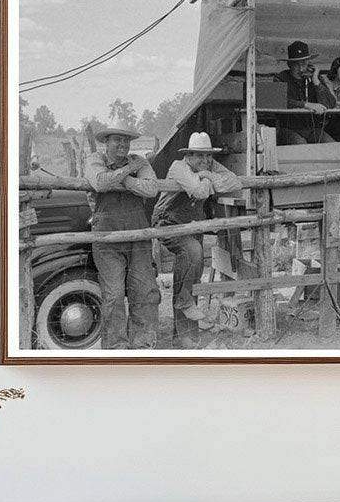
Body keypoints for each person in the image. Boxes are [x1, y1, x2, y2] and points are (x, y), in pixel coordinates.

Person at [152, 132, 240, 331]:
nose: (205, 160)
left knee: (194, 270)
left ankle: (188, 335)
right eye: (199, 155)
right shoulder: (178, 167)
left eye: (208, 155)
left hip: (193, 222)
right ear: (189, 156)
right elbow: (200, 192)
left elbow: (235, 182)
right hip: (168, 221)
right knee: (193, 252)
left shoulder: (208, 166)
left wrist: (207, 176)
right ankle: (184, 303)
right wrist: (211, 182)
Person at [87, 124, 160, 349]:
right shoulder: (95, 160)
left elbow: (151, 189)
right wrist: (129, 172)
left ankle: (143, 345)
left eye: (126, 141)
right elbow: (99, 182)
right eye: (117, 140)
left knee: (145, 291)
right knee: (114, 295)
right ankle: (116, 349)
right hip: (107, 238)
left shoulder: (140, 161)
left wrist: (121, 180)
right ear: (106, 143)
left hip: (138, 236)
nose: (122, 145)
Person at [274, 40, 334, 144]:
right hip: (289, 129)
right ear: (289, 64)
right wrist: (306, 105)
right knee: (300, 144)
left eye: (304, 64)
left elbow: (330, 103)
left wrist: (316, 81)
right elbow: (279, 102)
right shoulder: (280, 78)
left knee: (331, 145)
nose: (301, 69)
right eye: (297, 65)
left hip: (313, 129)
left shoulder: (314, 78)